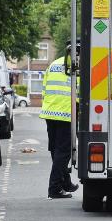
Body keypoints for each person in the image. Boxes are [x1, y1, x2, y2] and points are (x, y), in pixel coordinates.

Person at [40, 42, 80, 199]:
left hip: (50, 113)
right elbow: (81, 94)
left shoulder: (53, 65)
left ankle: (66, 183)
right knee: (63, 153)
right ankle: (54, 188)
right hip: (66, 114)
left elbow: (44, 89)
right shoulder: (78, 68)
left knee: (56, 151)